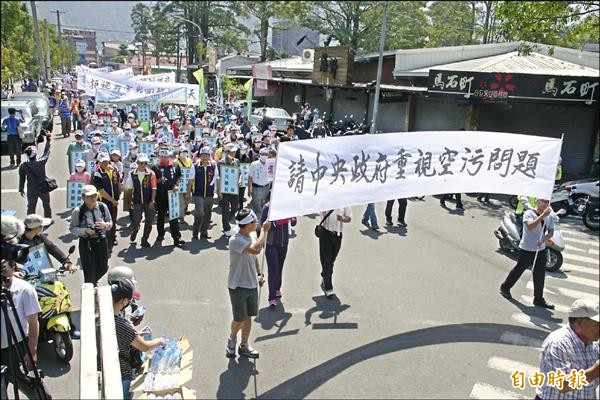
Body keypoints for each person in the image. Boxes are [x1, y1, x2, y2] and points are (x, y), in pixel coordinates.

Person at [19, 214, 80, 339]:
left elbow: (52, 248)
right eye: (41, 227)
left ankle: (70, 327)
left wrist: (66, 262)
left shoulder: (39, 237)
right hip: (28, 280)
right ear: (36, 228)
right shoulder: (18, 243)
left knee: (61, 295)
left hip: (46, 275)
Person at [225, 208, 270, 359]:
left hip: (251, 284)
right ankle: (232, 338)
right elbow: (256, 250)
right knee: (239, 318)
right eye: (254, 222)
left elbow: (254, 258)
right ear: (247, 224)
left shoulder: (251, 235)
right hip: (238, 286)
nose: (256, 223)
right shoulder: (235, 240)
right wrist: (264, 231)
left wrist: (259, 274)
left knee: (248, 317)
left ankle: (244, 345)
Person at [111, 278, 165, 400]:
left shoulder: (103, 315)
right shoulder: (121, 323)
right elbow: (145, 347)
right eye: (129, 301)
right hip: (121, 372)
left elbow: (124, 336)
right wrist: (159, 341)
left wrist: (137, 333)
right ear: (124, 300)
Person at [535, 298, 599, 400]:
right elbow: (562, 384)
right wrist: (595, 371)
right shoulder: (558, 343)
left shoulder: (593, 342)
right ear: (579, 322)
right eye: (596, 325)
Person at [0, 259, 45, 399]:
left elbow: (33, 322)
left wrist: (32, 352)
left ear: (13, 268)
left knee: (39, 393)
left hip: (17, 349)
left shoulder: (25, 289)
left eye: (3, 268)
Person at [500, 198, 555, 309]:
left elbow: (551, 231)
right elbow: (530, 227)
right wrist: (542, 216)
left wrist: (543, 240)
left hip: (540, 249)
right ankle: (505, 287)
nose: (544, 204)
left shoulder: (549, 216)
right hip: (526, 248)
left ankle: (538, 298)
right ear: (537, 202)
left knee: (539, 274)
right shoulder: (529, 213)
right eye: (542, 201)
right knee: (519, 269)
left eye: (546, 202)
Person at [69, 185, 112, 286]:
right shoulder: (78, 211)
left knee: (103, 268)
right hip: (86, 243)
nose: (93, 198)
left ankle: (92, 282)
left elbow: (110, 222)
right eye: (89, 196)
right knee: (89, 271)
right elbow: (72, 228)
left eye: (94, 196)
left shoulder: (102, 207)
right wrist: (85, 230)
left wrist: (105, 225)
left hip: (101, 241)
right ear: (83, 197)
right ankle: (90, 285)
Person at [261, 197, 296, 307]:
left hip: (283, 242)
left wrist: (293, 218)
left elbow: (294, 222)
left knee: (280, 267)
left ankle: (277, 288)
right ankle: (271, 297)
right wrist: (280, 221)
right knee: (273, 269)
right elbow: (264, 225)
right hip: (270, 243)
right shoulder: (267, 208)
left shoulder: (287, 207)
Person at [151, 149, 184, 247]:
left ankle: (176, 237)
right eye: (162, 157)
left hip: (172, 195)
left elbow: (179, 177)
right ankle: (160, 234)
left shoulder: (175, 166)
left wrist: (176, 185)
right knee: (160, 216)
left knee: (173, 217)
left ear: (169, 157)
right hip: (160, 196)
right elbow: (151, 181)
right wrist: (159, 180)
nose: (163, 159)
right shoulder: (155, 167)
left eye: (165, 157)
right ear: (159, 157)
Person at [318, 207, 352, 298]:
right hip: (325, 233)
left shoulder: (344, 202)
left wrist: (342, 219)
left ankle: (324, 275)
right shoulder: (325, 201)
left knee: (332, 259)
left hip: (337, 235)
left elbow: (349, 218)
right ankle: (328, 287)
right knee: (327, 260)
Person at [125, 153, 157, 248]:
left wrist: (152, 200)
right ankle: (135, 230)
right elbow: (128, 188)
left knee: (149, 221)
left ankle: (145, 239)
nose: (143, 165)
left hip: (148, 201)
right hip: (137, 201)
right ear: (137, 163)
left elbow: (154, 188)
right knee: (136, 220)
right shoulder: (132, 174)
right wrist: (129, 202)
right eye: (141, 163)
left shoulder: (151, 173)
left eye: (145, 163)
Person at [19, 135, 53, 219]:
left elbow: (22, 178)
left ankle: (30, 222)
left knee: (31, 207)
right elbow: (47, 152)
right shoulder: (41, 162)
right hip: (43, 188)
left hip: (31, 189)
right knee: (46, 204)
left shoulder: (23, 166)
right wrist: (48, 141)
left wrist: (21, 189)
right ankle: (48, 219)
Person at [93, 152, 121, 249]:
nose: (104, 163)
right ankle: (107, 242)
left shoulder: (114, 170)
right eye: (102, 162)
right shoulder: (97, 174)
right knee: (106, 222)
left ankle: (112, 238)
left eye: (106, 161)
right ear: (99, 163)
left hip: (114, 201)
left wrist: (118, 196)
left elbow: (118, 183)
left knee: (113, 220)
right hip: (105, 202)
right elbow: (101, 191)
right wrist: (112, 200)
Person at [190, 147, 218, 240]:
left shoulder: (213, 165)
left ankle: (204, 232)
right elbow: (190, 180)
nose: (205, 157)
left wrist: (217, 190)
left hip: (209, 193)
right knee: (199, 213)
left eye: (207, 155)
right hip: (198, 193)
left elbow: (216, 177)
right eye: (203, 155)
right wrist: (187, 193)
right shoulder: (195, 166)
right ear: (200, 156)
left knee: (208, 213)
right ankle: (195, 231)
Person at [217, 143, 241, 237]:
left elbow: (239, 173)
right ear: (226, 152)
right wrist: (219, 191)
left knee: (235, 207)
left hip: (234, 189)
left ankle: (227, 221)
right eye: (231, 152)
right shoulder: (220, 163)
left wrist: (239, 180)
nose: (233, 153)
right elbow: (218, 177)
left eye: (234, 151)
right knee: (225, 210)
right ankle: (226, 227)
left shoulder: (237, 161)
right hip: (224, 190)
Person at [248, 148, 271, 222]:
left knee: (264, 205)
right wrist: (249, 189)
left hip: (266, 187)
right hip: (256, 188)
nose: (264, 156)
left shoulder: (270, 164)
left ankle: (262, 221)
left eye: (266, 154)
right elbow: (250, 177)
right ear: (259, 155)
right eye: (263, 154)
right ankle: (258, 225)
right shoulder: (254, 164)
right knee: (258, 208)